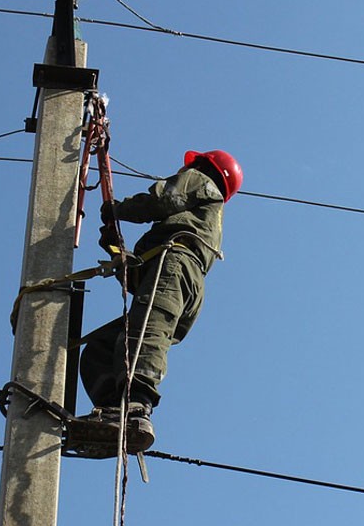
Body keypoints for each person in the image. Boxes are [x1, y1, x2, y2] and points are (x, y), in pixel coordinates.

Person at [79, 149, 243, 453]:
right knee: (102, 347)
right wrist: (115, 248)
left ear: (205, 166)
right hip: (180, 280)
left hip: (176, 265)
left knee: (145, 333)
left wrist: (118, 209)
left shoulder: (201, 180)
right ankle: (112, 411)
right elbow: (138, 282)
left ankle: (136, 408)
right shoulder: (195, 223)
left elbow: (161, 199)